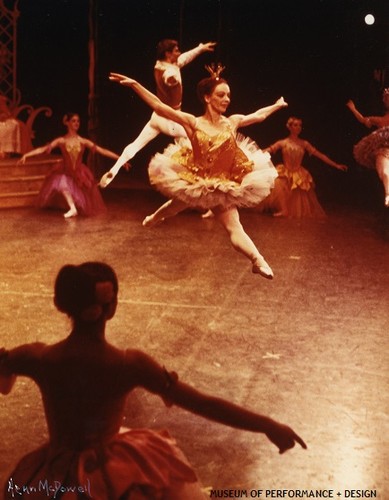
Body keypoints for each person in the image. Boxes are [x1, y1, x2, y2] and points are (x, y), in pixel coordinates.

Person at [0, 262, 307, 499]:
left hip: (56, 474)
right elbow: (202, 404)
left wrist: (7, 367)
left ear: (66, 307)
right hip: (112, 476)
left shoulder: (39, 358)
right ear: (111, 308)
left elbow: (4, 381)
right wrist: (268, 425)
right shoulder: (127, 364)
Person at [108, 69, 286, 279]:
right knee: (177, 204)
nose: (226, 99)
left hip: (223, 184)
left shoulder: (232, 121)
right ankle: (155, 217)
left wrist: (277, 105)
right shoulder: (193, 122)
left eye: (228, 95)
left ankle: (258, 260)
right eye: (221, 95)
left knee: (234, 226)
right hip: (197, 179)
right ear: (207, 97)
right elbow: (159, 107)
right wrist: (135, 84)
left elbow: (258, 115)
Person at [99, 39, 216, 189]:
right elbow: (169, 77)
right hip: (171, 120)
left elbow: (185, 58)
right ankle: (204, 178)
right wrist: (172, 80)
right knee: (196, 140)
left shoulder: (162, 65)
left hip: (156, 117)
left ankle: (114, 170)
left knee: (136, 144)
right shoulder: (169, 72)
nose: (179, 53)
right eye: (176, 50)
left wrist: (200, 48)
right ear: (168, 54)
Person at [19, 112, 120, 218]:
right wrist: (27, 155)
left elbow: (102, 150)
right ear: (67, 123)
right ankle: (72, 208)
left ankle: (75, 207)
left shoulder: (82, 141)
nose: (76, 123)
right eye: (73, 121)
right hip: (65, 170)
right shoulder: (62, 140)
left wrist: (120, 159)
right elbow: (43, 149)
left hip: (79, 171)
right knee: (61, 182)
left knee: (83, 200)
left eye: (78, 121)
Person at [258, 117, 347, 218]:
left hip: (298, 173)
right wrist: (253, 154)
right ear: (290, 127)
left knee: (296, 192)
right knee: (278, 183)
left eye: (300, 125)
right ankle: (284, 210)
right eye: (296, 125)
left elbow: (320, 155)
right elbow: (268, 150)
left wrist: (335, 165)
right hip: (285, 171)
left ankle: (286, 210)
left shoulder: (304, 143)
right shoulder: (283, 142)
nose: (299, 127)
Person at [346, 89, 389, 207]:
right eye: (387, 99)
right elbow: (363, 120)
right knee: (384, 173)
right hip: (384, 151)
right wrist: (353, 109)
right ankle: (388, 194)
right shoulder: (380, 120)